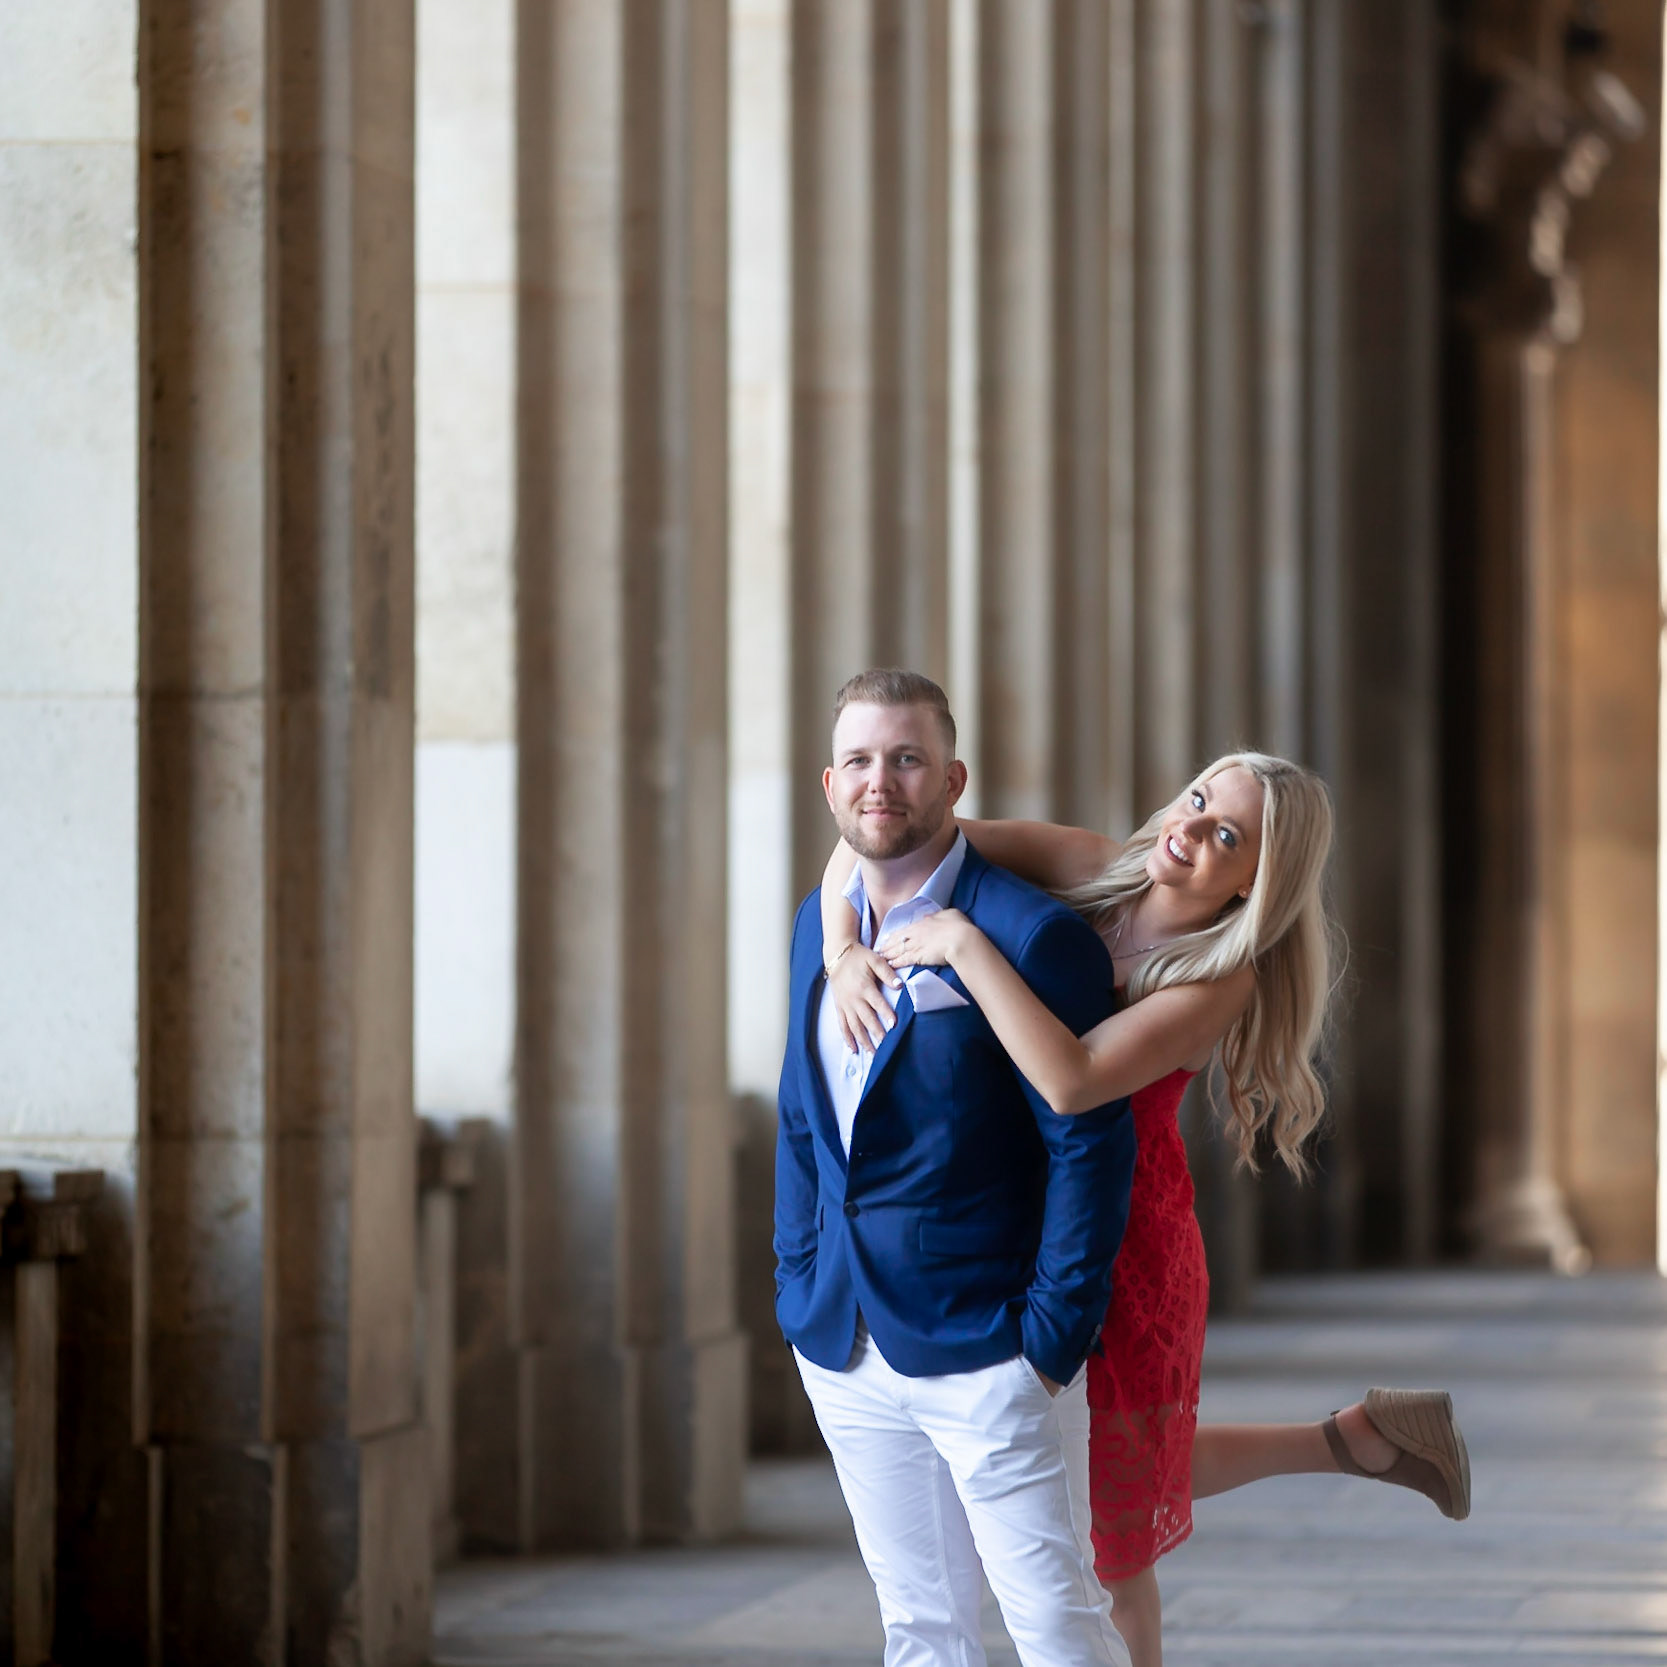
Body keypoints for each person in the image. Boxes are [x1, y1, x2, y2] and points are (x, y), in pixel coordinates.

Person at [822, 752, 1472, 1667]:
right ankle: (1357, 1439)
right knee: (1103, 1465)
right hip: (1019, 1212)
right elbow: (880, 847)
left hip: (1126, 1240)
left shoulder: (1219, 978)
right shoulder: (1095, 864)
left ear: (1255, 882)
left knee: (1110, 1536)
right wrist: (841, 954)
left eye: (1226, 837)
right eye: (1199, 800)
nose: (1190, 830)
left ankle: (1354, 1443)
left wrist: (964, 942)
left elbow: (1071, 1079)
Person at [774, 667, 1136, 1667]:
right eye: (857, 759)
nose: (877, 779)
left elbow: (1089, 1141)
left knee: (1055, 1623)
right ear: (828, 782)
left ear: (952, 777)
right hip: (842, 1335)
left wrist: (1049, 1336)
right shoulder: (822, 919)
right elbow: (804, 1113)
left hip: (988, 1344)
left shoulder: (1030, 936)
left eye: (905, 758)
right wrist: (795, 1272)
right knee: (919, 1629)